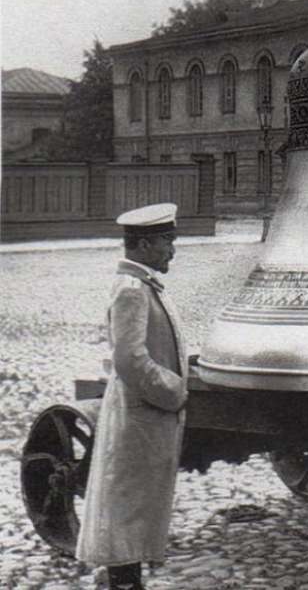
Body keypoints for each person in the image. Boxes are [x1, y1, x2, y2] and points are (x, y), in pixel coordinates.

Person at [76, 203, 188, 590]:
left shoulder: (142, 284)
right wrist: (172, 390)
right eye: (166, 242)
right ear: (142, 245)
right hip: (141, 413)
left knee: (137, 501)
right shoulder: (130, 289)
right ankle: (123, 580)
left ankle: (125, 576)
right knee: (128, 502)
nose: (172, 250)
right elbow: (130, 358)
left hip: (146, 415)